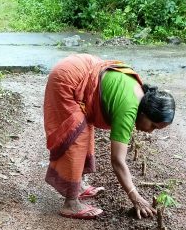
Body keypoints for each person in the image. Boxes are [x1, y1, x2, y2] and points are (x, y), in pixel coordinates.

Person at [43, 54, 175, 219]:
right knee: (76, 136)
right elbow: (118, 161)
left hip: (81, 67)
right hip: (67, 78)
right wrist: (136, 198)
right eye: (153, 126)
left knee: (85, 128)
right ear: (144, 112)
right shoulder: (128, 110)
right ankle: (71, 203)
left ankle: (79, 186)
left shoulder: (139, 95)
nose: (150, 132)